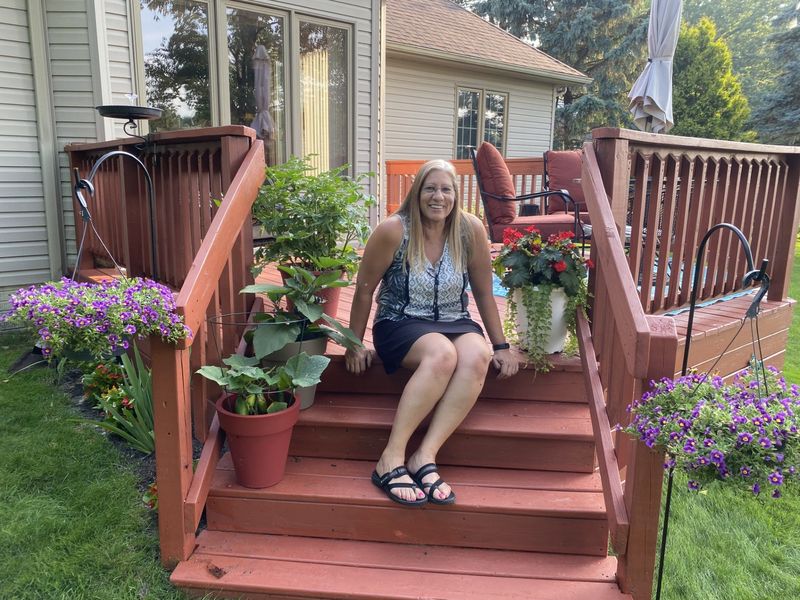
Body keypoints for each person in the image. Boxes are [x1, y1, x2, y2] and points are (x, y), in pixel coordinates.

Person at [344, 159, 520, 507]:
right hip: (399, 320)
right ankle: (390, 458)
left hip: (454, 318)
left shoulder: (470, 231)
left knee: (477, 355)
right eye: (430, 188)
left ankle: (423, 456)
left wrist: (501, 345)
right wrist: (352, 345)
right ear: (417, 192)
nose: (438, 197)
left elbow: (485, 293)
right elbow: (364, 290)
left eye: (446, 189)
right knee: (442, 354)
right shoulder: (394, 230)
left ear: (456, 195)